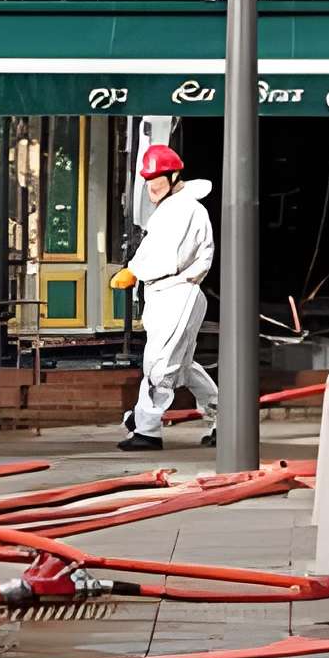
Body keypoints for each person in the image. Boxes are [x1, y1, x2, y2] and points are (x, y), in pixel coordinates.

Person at [110, 143, 219, 451]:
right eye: (147, 178)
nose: (149, 185)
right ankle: (223, 417)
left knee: (160, 365)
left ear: (173, 176)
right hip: (166, 291)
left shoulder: (183, 209)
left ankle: (147, 429)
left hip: (176, 290)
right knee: (182, 366)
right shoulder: (173, 207)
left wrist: (134, 270)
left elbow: (165, 256)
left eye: (155, 177)